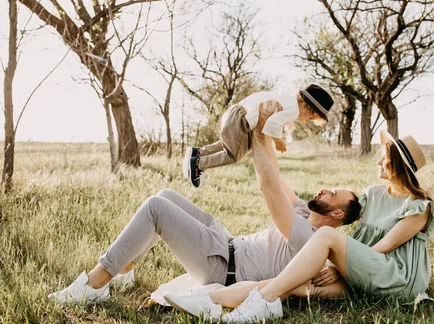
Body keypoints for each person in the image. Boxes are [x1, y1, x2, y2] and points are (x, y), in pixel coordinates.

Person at [47, 102, 360, 305]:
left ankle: (94, 285)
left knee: (157, 209)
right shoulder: (304, 213)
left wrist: (260, 127)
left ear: (336, 213)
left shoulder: (309, 239)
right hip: (225, 243)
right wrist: (265, 129)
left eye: (333, 193)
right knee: (166, 195)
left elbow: (266, 185)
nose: (324, 189)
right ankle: (124, 271)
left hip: (222, 269)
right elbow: (275, 174)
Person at [166, 130, 434, 323]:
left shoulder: (419, 207)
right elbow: (345, 210)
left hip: (396, 279)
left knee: (324, 236)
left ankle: (264, 302)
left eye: (385, 157)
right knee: (293, 284)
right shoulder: (373, 194)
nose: (378, 161)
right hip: (365, 273)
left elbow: (384, 247)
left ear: (399, 166)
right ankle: (212, 300)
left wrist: (340, 265)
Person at [182, 83, 334, 187]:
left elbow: (281, 118)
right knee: (234, 155)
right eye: (311, 117)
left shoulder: (289, 100)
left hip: (236, 112)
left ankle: (199, 152)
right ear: (308, 107)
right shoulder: (293, 110)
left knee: (233, 144)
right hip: (243, 119)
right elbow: (273, 123)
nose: (307, 121)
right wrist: (278, 141)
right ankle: (198, 164)